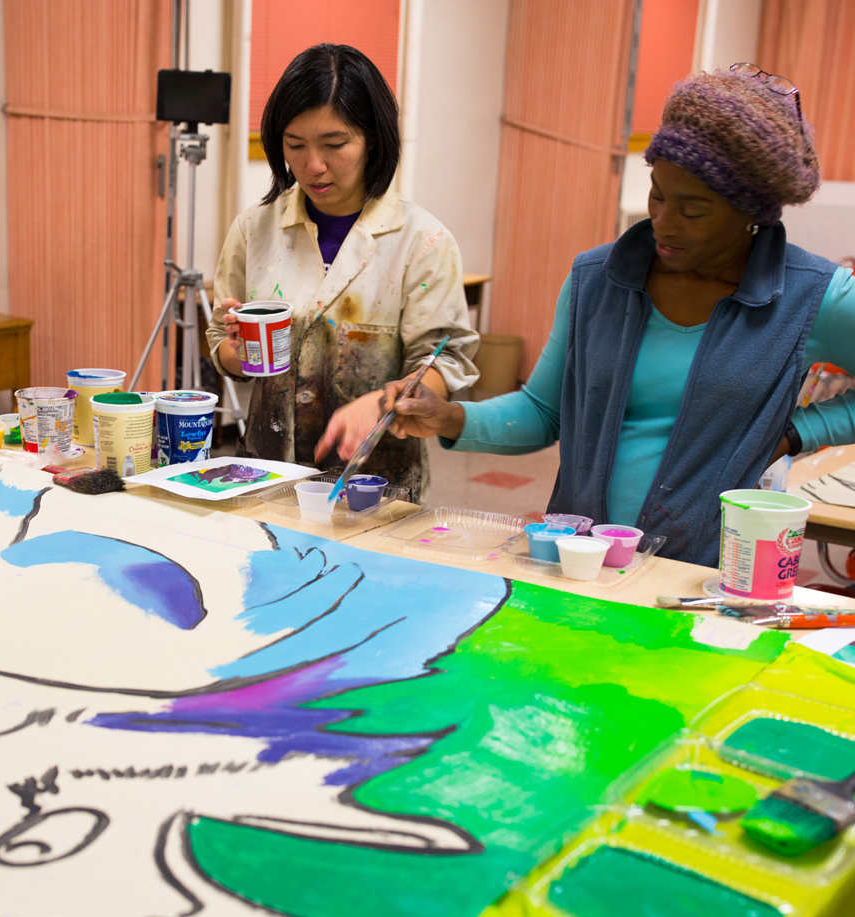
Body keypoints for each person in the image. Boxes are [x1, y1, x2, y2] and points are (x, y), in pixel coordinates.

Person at [379, 65, 855, 566]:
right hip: (579, 563)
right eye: (658, 194)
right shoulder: (597, 280)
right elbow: (543, 413)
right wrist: (450, 417)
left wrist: (797, 433)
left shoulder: (810, 297)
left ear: (753, 212)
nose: (663, 223)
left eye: (693, 210)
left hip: (707, 576)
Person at [206, 43, 478, 501]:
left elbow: (444, 359)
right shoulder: (255, 229)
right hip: (266, 475)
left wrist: (385, 402)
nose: (313, 166)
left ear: (372, 138)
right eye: (295, 145)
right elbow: (222, 344)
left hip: (376, 486)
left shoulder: (422, 241)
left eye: (335, 144)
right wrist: (240, 351)